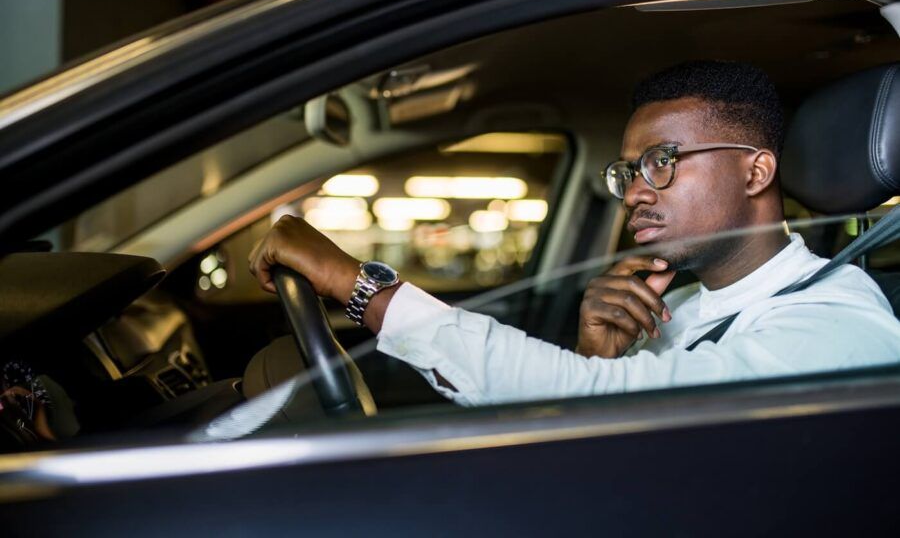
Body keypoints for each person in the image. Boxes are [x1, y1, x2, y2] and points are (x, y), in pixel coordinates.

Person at [249, 61, 900, 406]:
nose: (638, 191)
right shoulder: (679, 305)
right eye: (629, 171)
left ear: (757, 170)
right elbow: (621, 439)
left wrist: (357, 284)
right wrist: (597, 356)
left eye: (662, 163)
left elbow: (626, 409)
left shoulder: (837, 324)